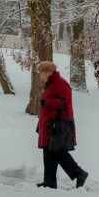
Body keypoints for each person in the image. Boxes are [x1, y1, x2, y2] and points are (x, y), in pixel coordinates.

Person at [35, 61, 89, 189]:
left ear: (48, 73)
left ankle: (79, 173)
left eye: (41, 73)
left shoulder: (60, 83)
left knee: (58, 153)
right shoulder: (51, 84)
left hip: (58, 125)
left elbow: (65, 102)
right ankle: (49, 182)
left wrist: (47, 102)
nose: (40, 76)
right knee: (48, 153)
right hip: (50, 124)